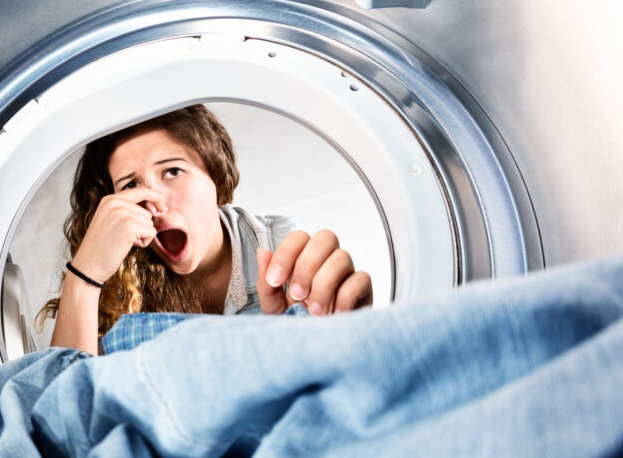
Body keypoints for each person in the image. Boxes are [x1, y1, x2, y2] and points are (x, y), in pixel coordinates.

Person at [39, 104, 373, 354]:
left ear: (215, 175)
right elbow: (68, 410)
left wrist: (349, 333)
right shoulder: (117, 280)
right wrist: (84, 277)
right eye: (130, 187)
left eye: (172, 171)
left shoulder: (279, 249)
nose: (154, 203)